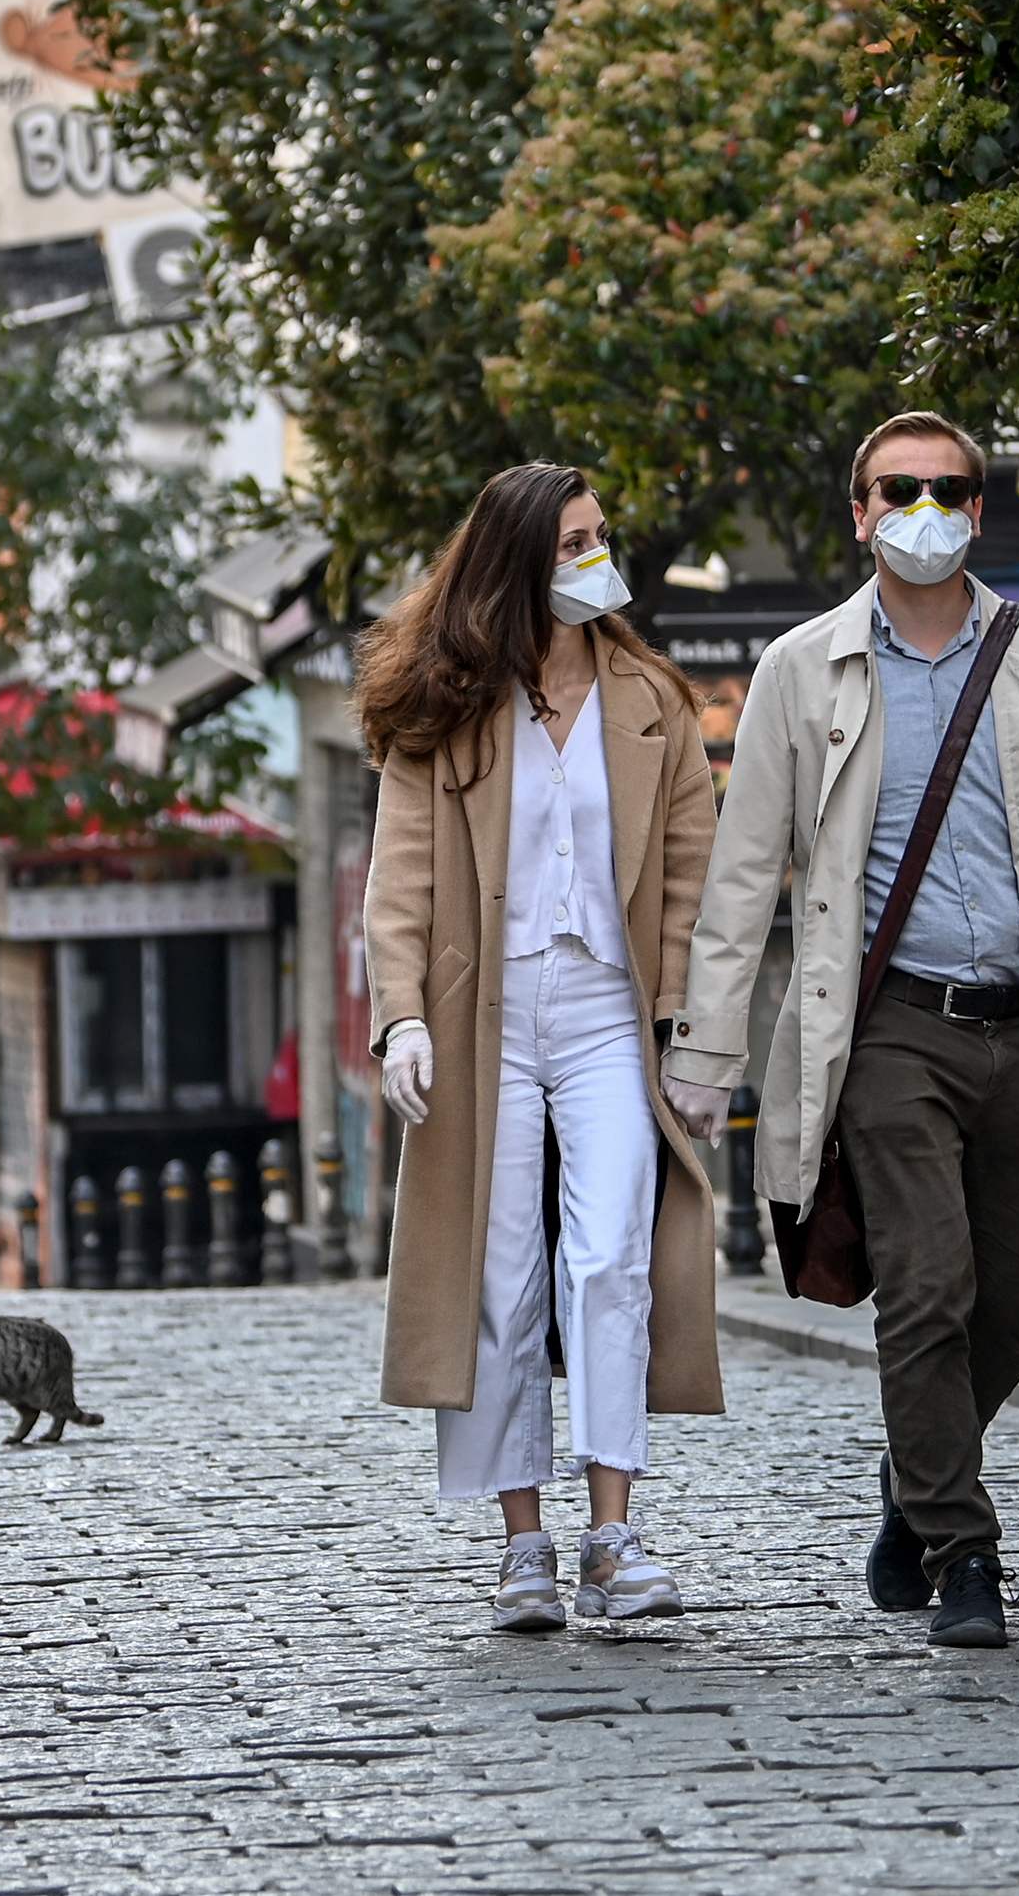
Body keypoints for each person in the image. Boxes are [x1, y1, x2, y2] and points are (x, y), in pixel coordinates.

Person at [663, 410, 1019, 1648]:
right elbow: (743, 878)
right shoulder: (802, 668)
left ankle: (913, 1485)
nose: (926, 509)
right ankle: (963, 1548)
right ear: (861, 512)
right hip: (885, 1030)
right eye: (901, 489)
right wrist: (708, 1058)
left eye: (949, 489)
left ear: (979, 511)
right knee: (925, 1293)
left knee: (1016, 1305)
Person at [360, 463, 722, 1632]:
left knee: (610, 1253)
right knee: (498, 1271)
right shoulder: (447, 701)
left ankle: (614, 1535)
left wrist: (695, 1035)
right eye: (574, 542)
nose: (595, 558)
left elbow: (689, 882)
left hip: (609, 1010)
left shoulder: (651, 699)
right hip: (483, 1017)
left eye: (599, 537)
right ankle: (524, 1546)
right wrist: (401, 1013)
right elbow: (400, 878)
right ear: (518, 560)